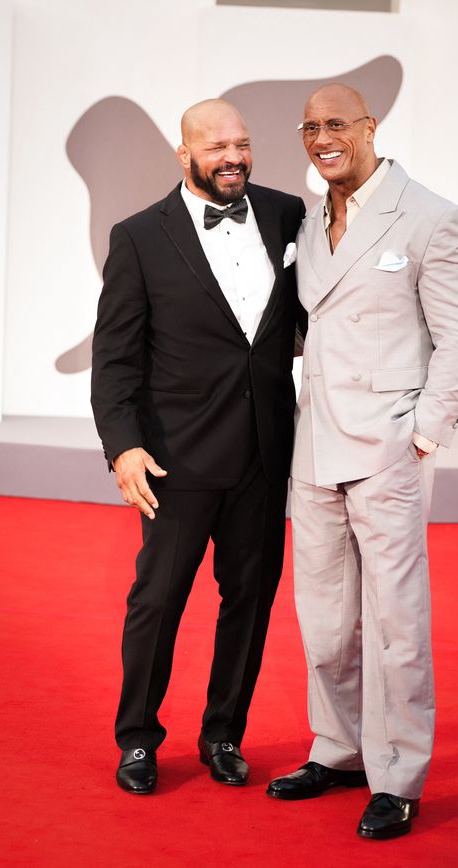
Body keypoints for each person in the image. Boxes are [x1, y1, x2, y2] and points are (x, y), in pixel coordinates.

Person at [266, 84, 458, 839]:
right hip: (314, 447)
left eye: (335, 124)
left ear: (369, 127)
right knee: (325, 622)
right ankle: (340, 748)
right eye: (309, 128)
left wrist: (422, 436)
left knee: (394, 625)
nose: (321, 137)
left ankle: (398, 775)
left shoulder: (430, 215)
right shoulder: (308, 220)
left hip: (387, 448)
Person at [91, 99, 305, 794]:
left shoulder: (286, 215)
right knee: (157, 601)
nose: (233, 157)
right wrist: (123, 447)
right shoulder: (139, 236)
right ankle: (137, 739)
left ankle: (223, 733)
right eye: (216, 147)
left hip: (266, 456)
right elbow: (116, 360)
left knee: (250, 598)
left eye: (241, 143)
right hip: (173, 459)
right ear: (185, 155)